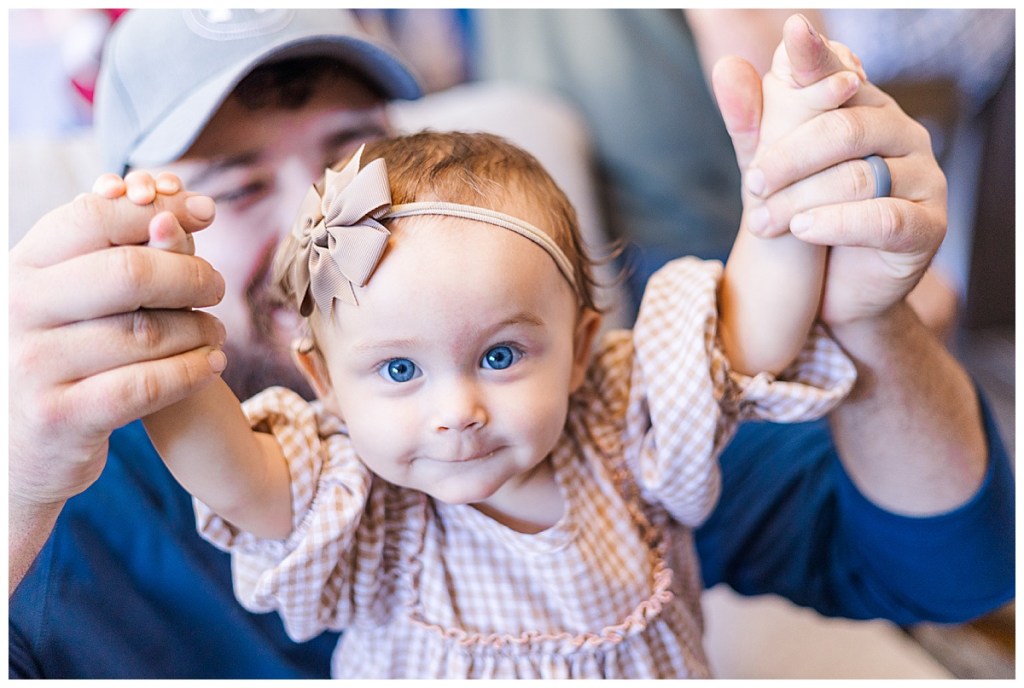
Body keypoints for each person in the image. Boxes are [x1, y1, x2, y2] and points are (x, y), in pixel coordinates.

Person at [8, 9, 1013, 679]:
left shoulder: (617, 411)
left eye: (357, 164)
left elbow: (953, 568)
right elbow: (235, 467)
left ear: (578, 344)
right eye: (230, 187)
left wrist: (812, 220)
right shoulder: (289, 480)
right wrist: (131, 334)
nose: (456, 409)